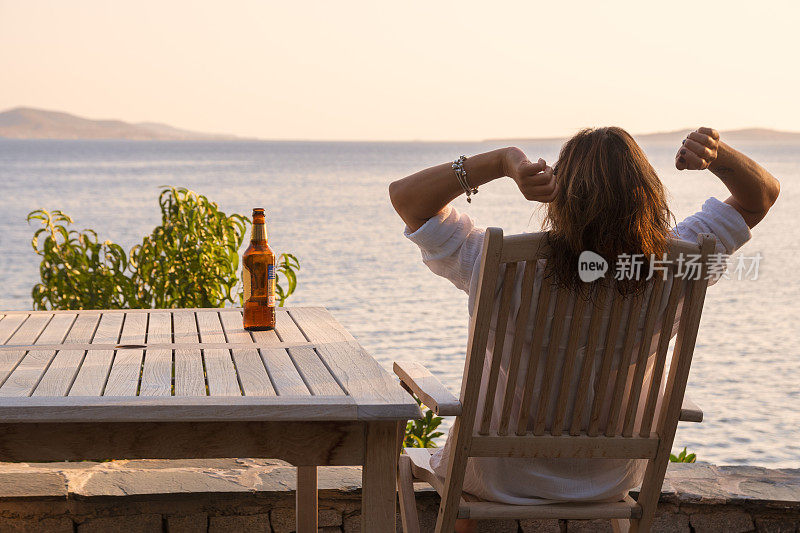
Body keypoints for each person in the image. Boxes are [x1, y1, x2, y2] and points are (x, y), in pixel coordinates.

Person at [389, 127, 780, 533]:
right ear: (649, 192)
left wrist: (504, 161)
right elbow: (761, 196)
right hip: (612, 478)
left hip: (498, 477)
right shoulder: (678, 266)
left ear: (560, 193)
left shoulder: (501, 265)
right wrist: (720, 157)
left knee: (415, 465)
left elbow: (407, 200)